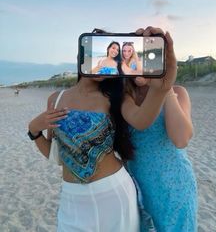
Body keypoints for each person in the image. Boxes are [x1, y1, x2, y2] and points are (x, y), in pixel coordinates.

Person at [27, 41, 140, 231]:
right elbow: (57, 156)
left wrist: (163, 89)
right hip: (72, 200)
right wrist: (34, 130)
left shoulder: (115, 97)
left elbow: (142, 119)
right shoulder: (56, 99)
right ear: (80, 59)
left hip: (114, 193)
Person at [122, 27, 198, 232]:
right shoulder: (126, 97)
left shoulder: (178, 92)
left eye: (150, 55)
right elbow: (139, 121)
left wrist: (165, 88)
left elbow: (181, 139)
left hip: (175, 185)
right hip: (136, 186)